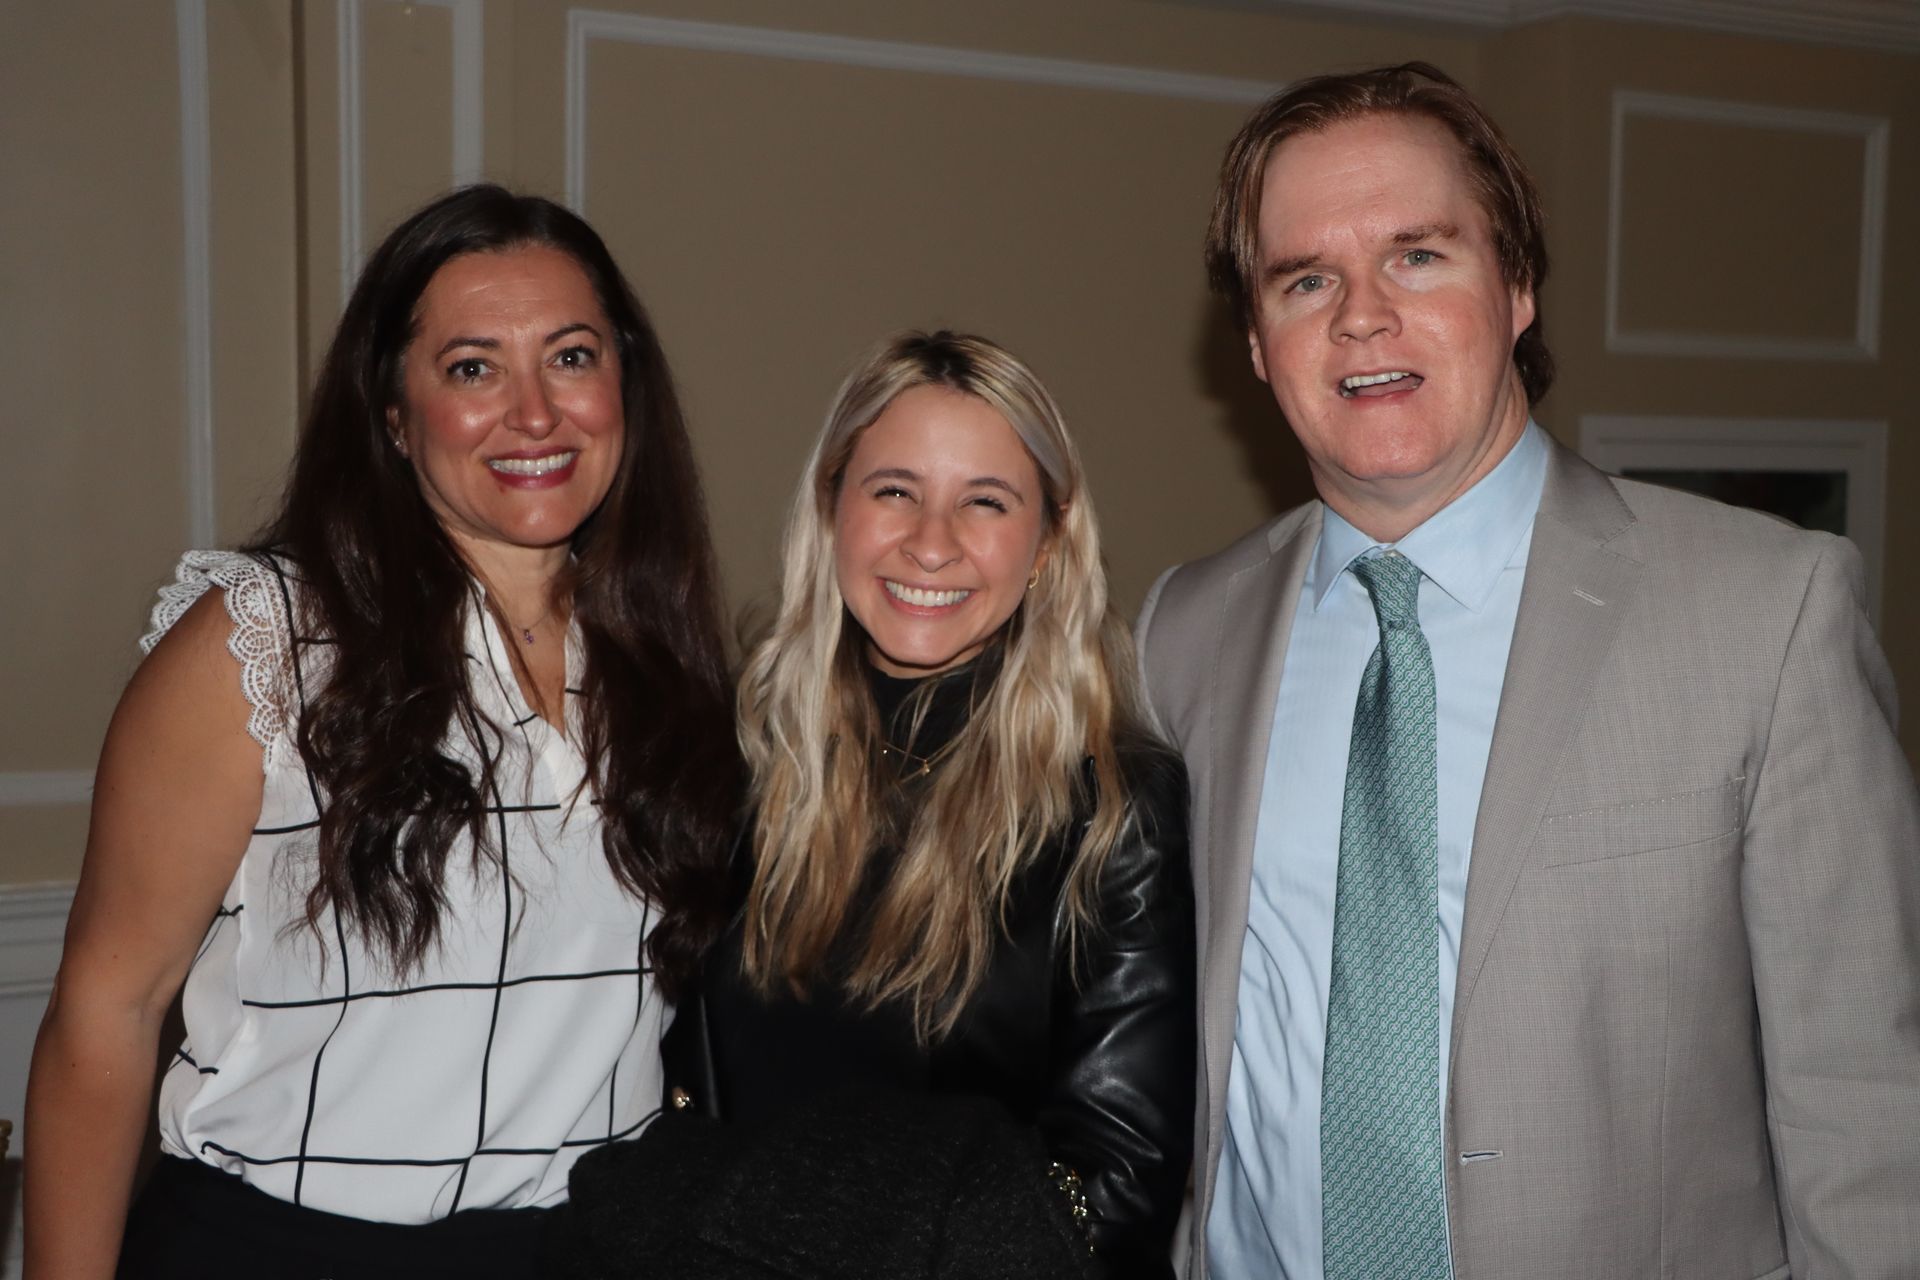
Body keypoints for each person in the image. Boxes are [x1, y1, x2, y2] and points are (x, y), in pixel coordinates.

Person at [1136, 62, 1920, 1280]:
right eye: (1305, 279)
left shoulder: (1768, 613)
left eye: (1418, 255)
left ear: (1515, 288)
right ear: (1255, 339)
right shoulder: (1179, 632)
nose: (1360, 315)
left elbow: (1865, 1112)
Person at [24, 184, 741, 1278]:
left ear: (624, 387)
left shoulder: (666, 662)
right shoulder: (266, 641)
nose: (535, 413)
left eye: (571, 356)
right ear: (396, 417)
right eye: (473, 368)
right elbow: (106, 1012)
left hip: (592, 1245)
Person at [567, 331, 1195, 1280]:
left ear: (1048, 543)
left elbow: (1115, 1192)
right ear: (832, 509)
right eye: (894, 490)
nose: (931, 542)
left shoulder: (1112, 806)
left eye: (986, 501)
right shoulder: (742, 756)